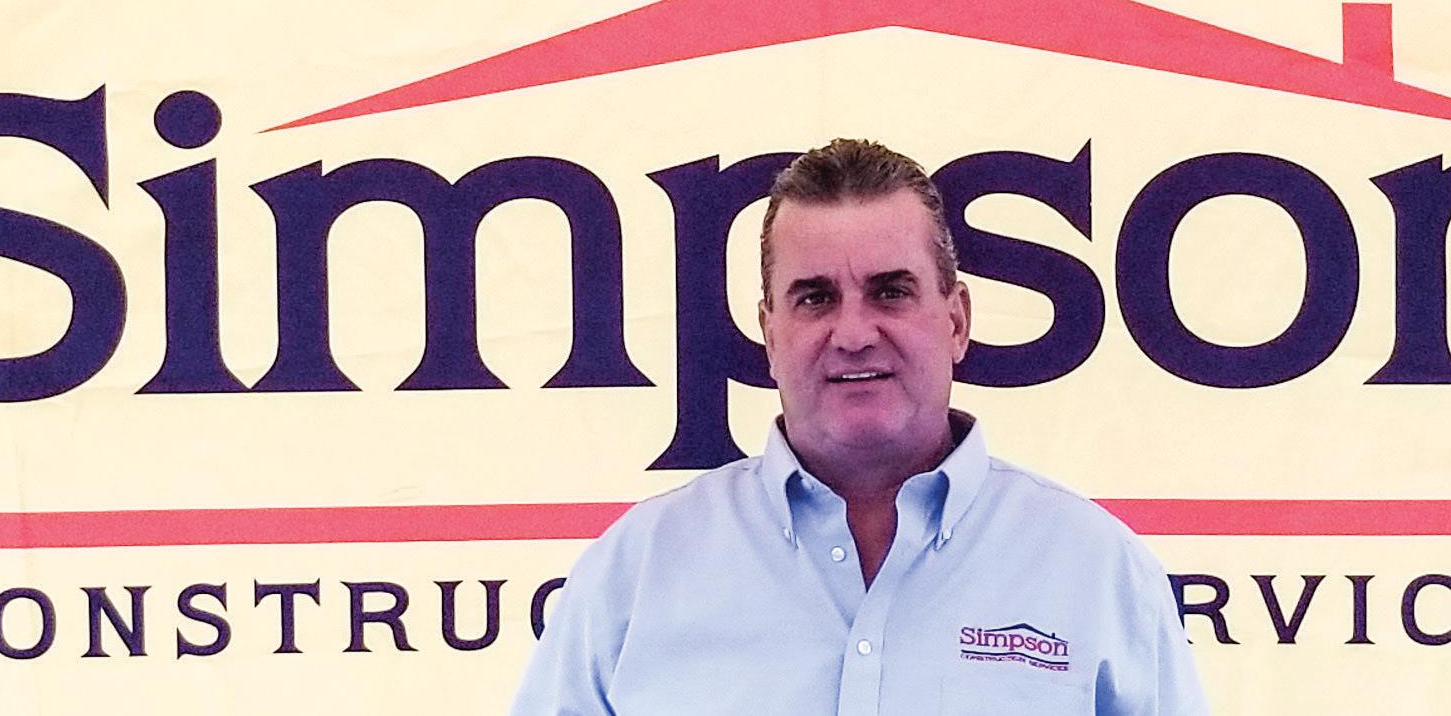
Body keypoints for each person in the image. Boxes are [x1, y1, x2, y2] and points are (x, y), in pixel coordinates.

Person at [512, 138, 1207, 715]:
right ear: (770, 334)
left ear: (957, 320)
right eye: (815, 298)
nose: (853, 333)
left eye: (890, 291)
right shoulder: (633, 576)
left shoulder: (1099, 574)